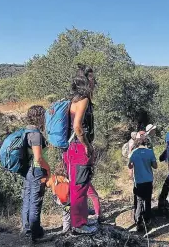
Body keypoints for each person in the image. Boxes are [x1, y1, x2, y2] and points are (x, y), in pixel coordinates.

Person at [62, 63, 98, 235]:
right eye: (90, 77)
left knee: (81, 186)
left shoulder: (74, 100)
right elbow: (77, 127)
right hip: (78, 148)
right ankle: (78, 225)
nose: (93, 80)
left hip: (72, 149)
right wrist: (87, 146)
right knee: (79, 187)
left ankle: (81, 222)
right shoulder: (83, 100)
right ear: (84, 80)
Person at [21, 105, 51, 241]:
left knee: (27, 199)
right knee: (35, 202)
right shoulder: (36, 134)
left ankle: (27, 230)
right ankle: (36, 235)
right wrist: (48, 169)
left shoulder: (26, 131)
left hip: (28, 170)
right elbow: (39, 157)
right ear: (40, 117)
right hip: (37, 170)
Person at [128, 137, 158, 233]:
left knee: (139, 201)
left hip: (139, 181)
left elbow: (130, 166)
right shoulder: (150, 152)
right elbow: (155, 166)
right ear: (146, 143)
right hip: (148, 180)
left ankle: (138, 222)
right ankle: (147, 221)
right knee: (148, 200)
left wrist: (136, 164)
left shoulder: (134, 152)